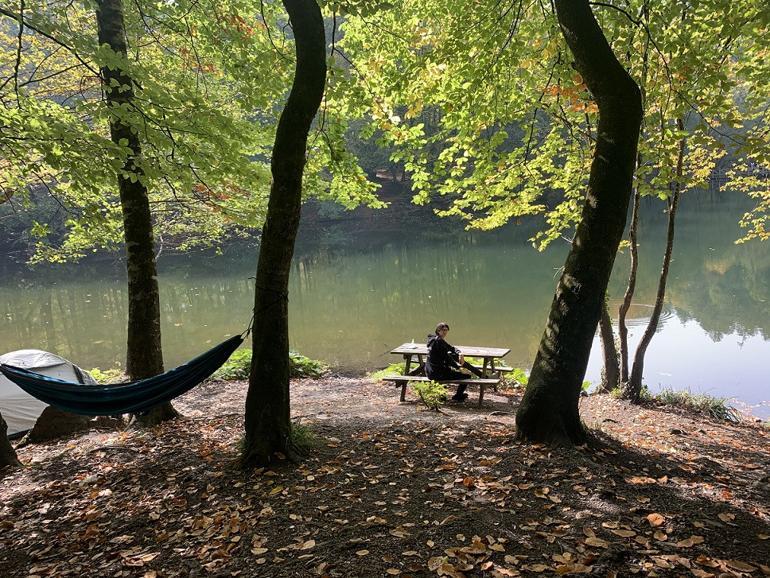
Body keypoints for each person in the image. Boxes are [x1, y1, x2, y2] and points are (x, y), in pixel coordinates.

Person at [425, 322, 484, 402]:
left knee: (447, 370)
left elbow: (451, 348)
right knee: (467, 376)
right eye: (443, 330)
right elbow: (447, 359)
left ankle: (442, 396)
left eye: (446, 330)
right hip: (437, 374)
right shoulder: (439, 342)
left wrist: (459, 353)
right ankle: (458, 396)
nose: (445, 332)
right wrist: (459, 368)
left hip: (429, 372)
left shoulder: (434, 340)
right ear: (438, 330)